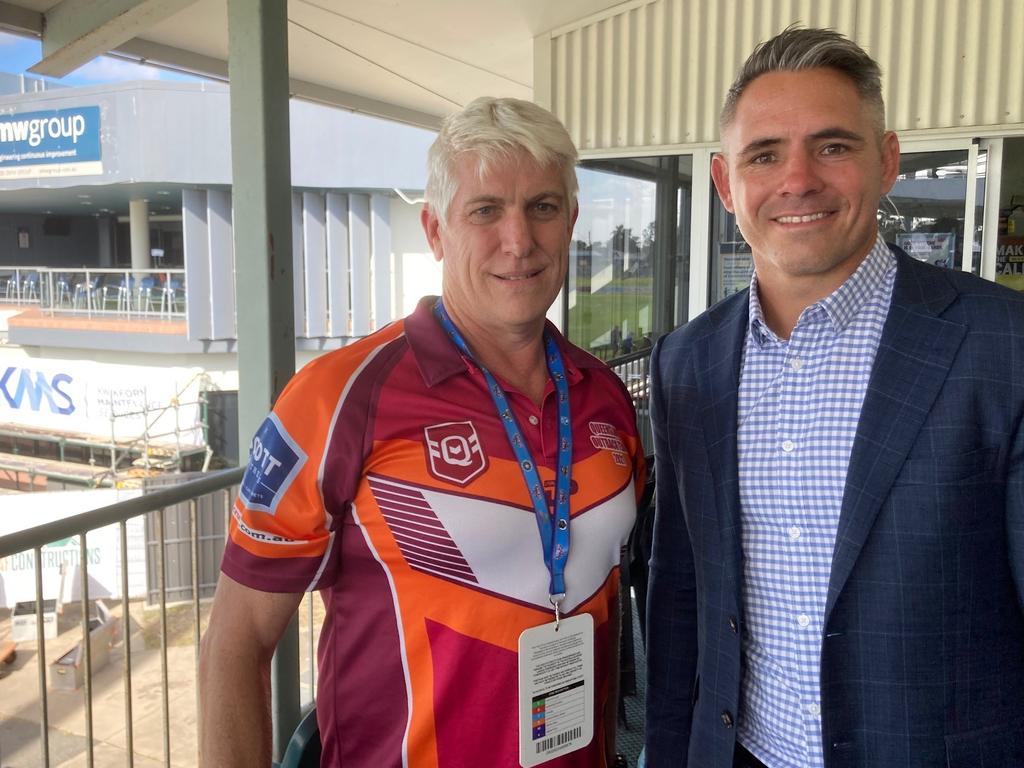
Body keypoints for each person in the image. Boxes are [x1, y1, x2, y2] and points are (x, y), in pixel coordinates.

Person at [199, 96, 645, 768]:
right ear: (435, 230)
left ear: (571, 221)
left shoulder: (605, 398)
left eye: (543, 208)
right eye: (485, 210)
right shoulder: (339, 397)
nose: (518, 241)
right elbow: (236, 643)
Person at [645, 26, 1024, 768]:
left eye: (833, 146)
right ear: (726, 184)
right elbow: (679, 596)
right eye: (764, 155)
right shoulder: (686, 362)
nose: (798, 180)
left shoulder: (1002, 346)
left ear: (886, 162)